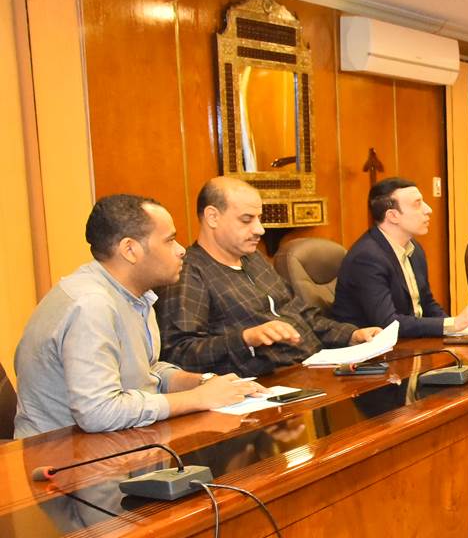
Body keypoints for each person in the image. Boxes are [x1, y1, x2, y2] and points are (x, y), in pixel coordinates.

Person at [12, 194, 259, 438]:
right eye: (170, 240)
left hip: (115, 443)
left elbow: (147, 371)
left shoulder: (137, 295)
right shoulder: (90, 305)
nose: (181, 250)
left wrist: (204, 382)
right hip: (61, 454)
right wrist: (197, 399)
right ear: (130, 249)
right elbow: (98, 411)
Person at [157, 178, 383, 377]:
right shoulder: (189, 272)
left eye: (259, 218)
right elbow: (179, 354)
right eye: (247, 220)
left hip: (314, 370)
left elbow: (303, 315)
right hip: (268, 385)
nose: (260, 229)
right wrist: (245, 339)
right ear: (213, 217)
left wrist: (351, 334)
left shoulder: (254, 259)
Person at [331, 177, 468, 338]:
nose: (428, 209)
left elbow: (427, 304)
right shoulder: (367, 258)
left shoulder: (414, 249)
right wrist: (452, 324)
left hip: (411, 343)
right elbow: (388, 323)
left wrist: (458, 330)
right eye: (417, 204)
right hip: (374, 349)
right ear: (393, 216)